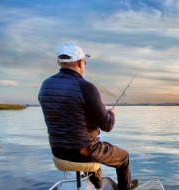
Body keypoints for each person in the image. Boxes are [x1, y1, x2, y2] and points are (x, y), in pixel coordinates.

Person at [38, 42, 139, 190]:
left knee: (93, 143)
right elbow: (107, 126)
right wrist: (111, 113)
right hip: (84, 152)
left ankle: (97, 182)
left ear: (60, 62)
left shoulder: (45, 85)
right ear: (80, 62)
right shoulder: (86, 87)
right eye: (84, 62)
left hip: (57, 151)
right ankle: (125, 187)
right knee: (123, 157)